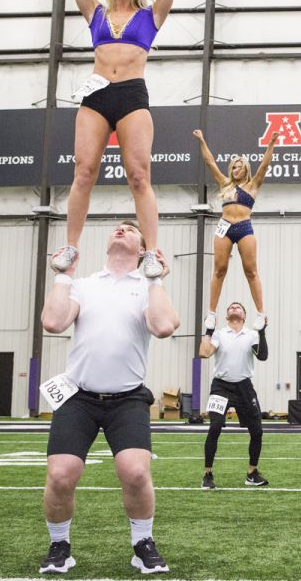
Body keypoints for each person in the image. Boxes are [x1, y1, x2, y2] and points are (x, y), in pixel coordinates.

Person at [37, 0, 209, 279]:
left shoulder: (151, 15)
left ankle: (151, 250)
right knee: (83, 172)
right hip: (97, 94)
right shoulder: (94, 12)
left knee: (138, 175)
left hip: (132, 94)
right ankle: (71, 246)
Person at [37, 222, 180, 575]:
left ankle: (142, 543)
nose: (122, 228)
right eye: (118, 227)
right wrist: (62, 275)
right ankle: (59, 545)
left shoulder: (147, 288)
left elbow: (163, 326)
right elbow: (53, 323)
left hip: (127, 398)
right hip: (78, 398)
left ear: (142, 248)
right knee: (60, 475)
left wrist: (156, 278)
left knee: (134, 472)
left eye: (131, 229)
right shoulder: (83, 285)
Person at [192, 130, 278, 330]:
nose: (235, 170)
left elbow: (265, 165)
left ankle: (260, 313)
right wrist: (202, 140)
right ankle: (211, 314)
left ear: (245, 169)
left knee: (251, 271)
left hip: (244, 227)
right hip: (225, 227)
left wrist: (271, 143)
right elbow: (210, 162)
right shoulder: (224, 184)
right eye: (233, 167)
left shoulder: (252, 185)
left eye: (239, 167)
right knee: (219, 269)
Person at [197, 301, 270, 489]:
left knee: (257, 431)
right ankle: (207, 474)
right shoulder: (219, 334)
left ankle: (252, 473)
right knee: (215, 427)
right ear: (226, 315)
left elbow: (262, 356)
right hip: (221, 387)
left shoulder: (252, 334)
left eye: (239, 307)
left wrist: (262, 331)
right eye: (231, 307)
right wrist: (208, 330)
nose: (234, 307)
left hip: (244, 387)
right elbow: (204, 353)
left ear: (244, 316)